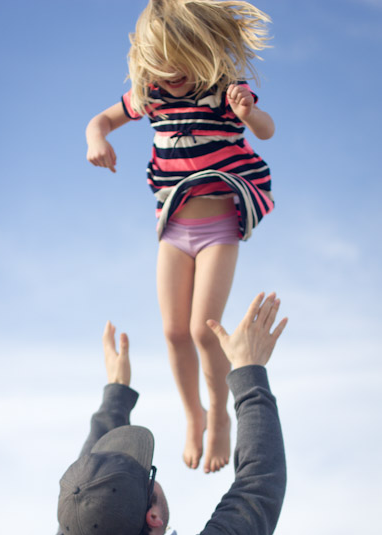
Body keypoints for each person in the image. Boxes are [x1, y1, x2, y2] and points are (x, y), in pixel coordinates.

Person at [39, 292, 287, 535]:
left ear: (72, 528)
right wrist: (249, 371)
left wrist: (116, 396)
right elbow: (260, 484)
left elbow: (85, 484)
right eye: (148, 475)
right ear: (152, 517)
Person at [85, 0, 276, 473]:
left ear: (202, 50)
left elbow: (267, 131)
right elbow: (101, 120)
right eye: (162, 69)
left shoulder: (226, 91)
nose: (173, 78)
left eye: (181, 67)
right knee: (173, 332)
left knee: (202, 330)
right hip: (173, 228)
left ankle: (221, 417)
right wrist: (97, 140)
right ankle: (194, 415)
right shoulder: (150, 94)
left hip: (219, 229)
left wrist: (248, 112)